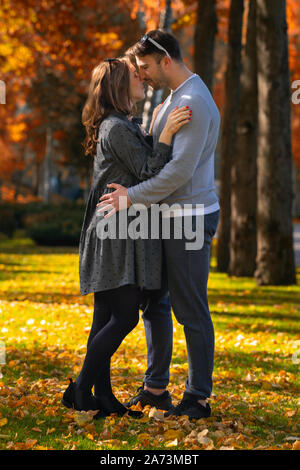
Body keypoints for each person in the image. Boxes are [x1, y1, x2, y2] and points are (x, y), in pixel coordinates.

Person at [97, 29, 221, 420]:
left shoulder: (195, 101)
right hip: (166, 217)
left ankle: (199, 398)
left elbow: (179, 172)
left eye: (146, 66)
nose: (143, 74)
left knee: (190, 309)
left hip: (188, 216)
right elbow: (155, 152)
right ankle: (155, 389)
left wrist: (129, 197)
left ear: (166, 60)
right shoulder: (171, 100)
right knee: (156, 303)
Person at [61, 56, 191, 418]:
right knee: (124, 316)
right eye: (134, 75)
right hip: (114, 232)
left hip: (116, 228)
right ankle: (81, 390)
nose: (141, 77)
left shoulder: (120, 124)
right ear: (119, 85)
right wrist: (165, 136)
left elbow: (138, 169)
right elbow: (150, 169)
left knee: (105, 316)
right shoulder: (116, 127)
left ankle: (101, 396)